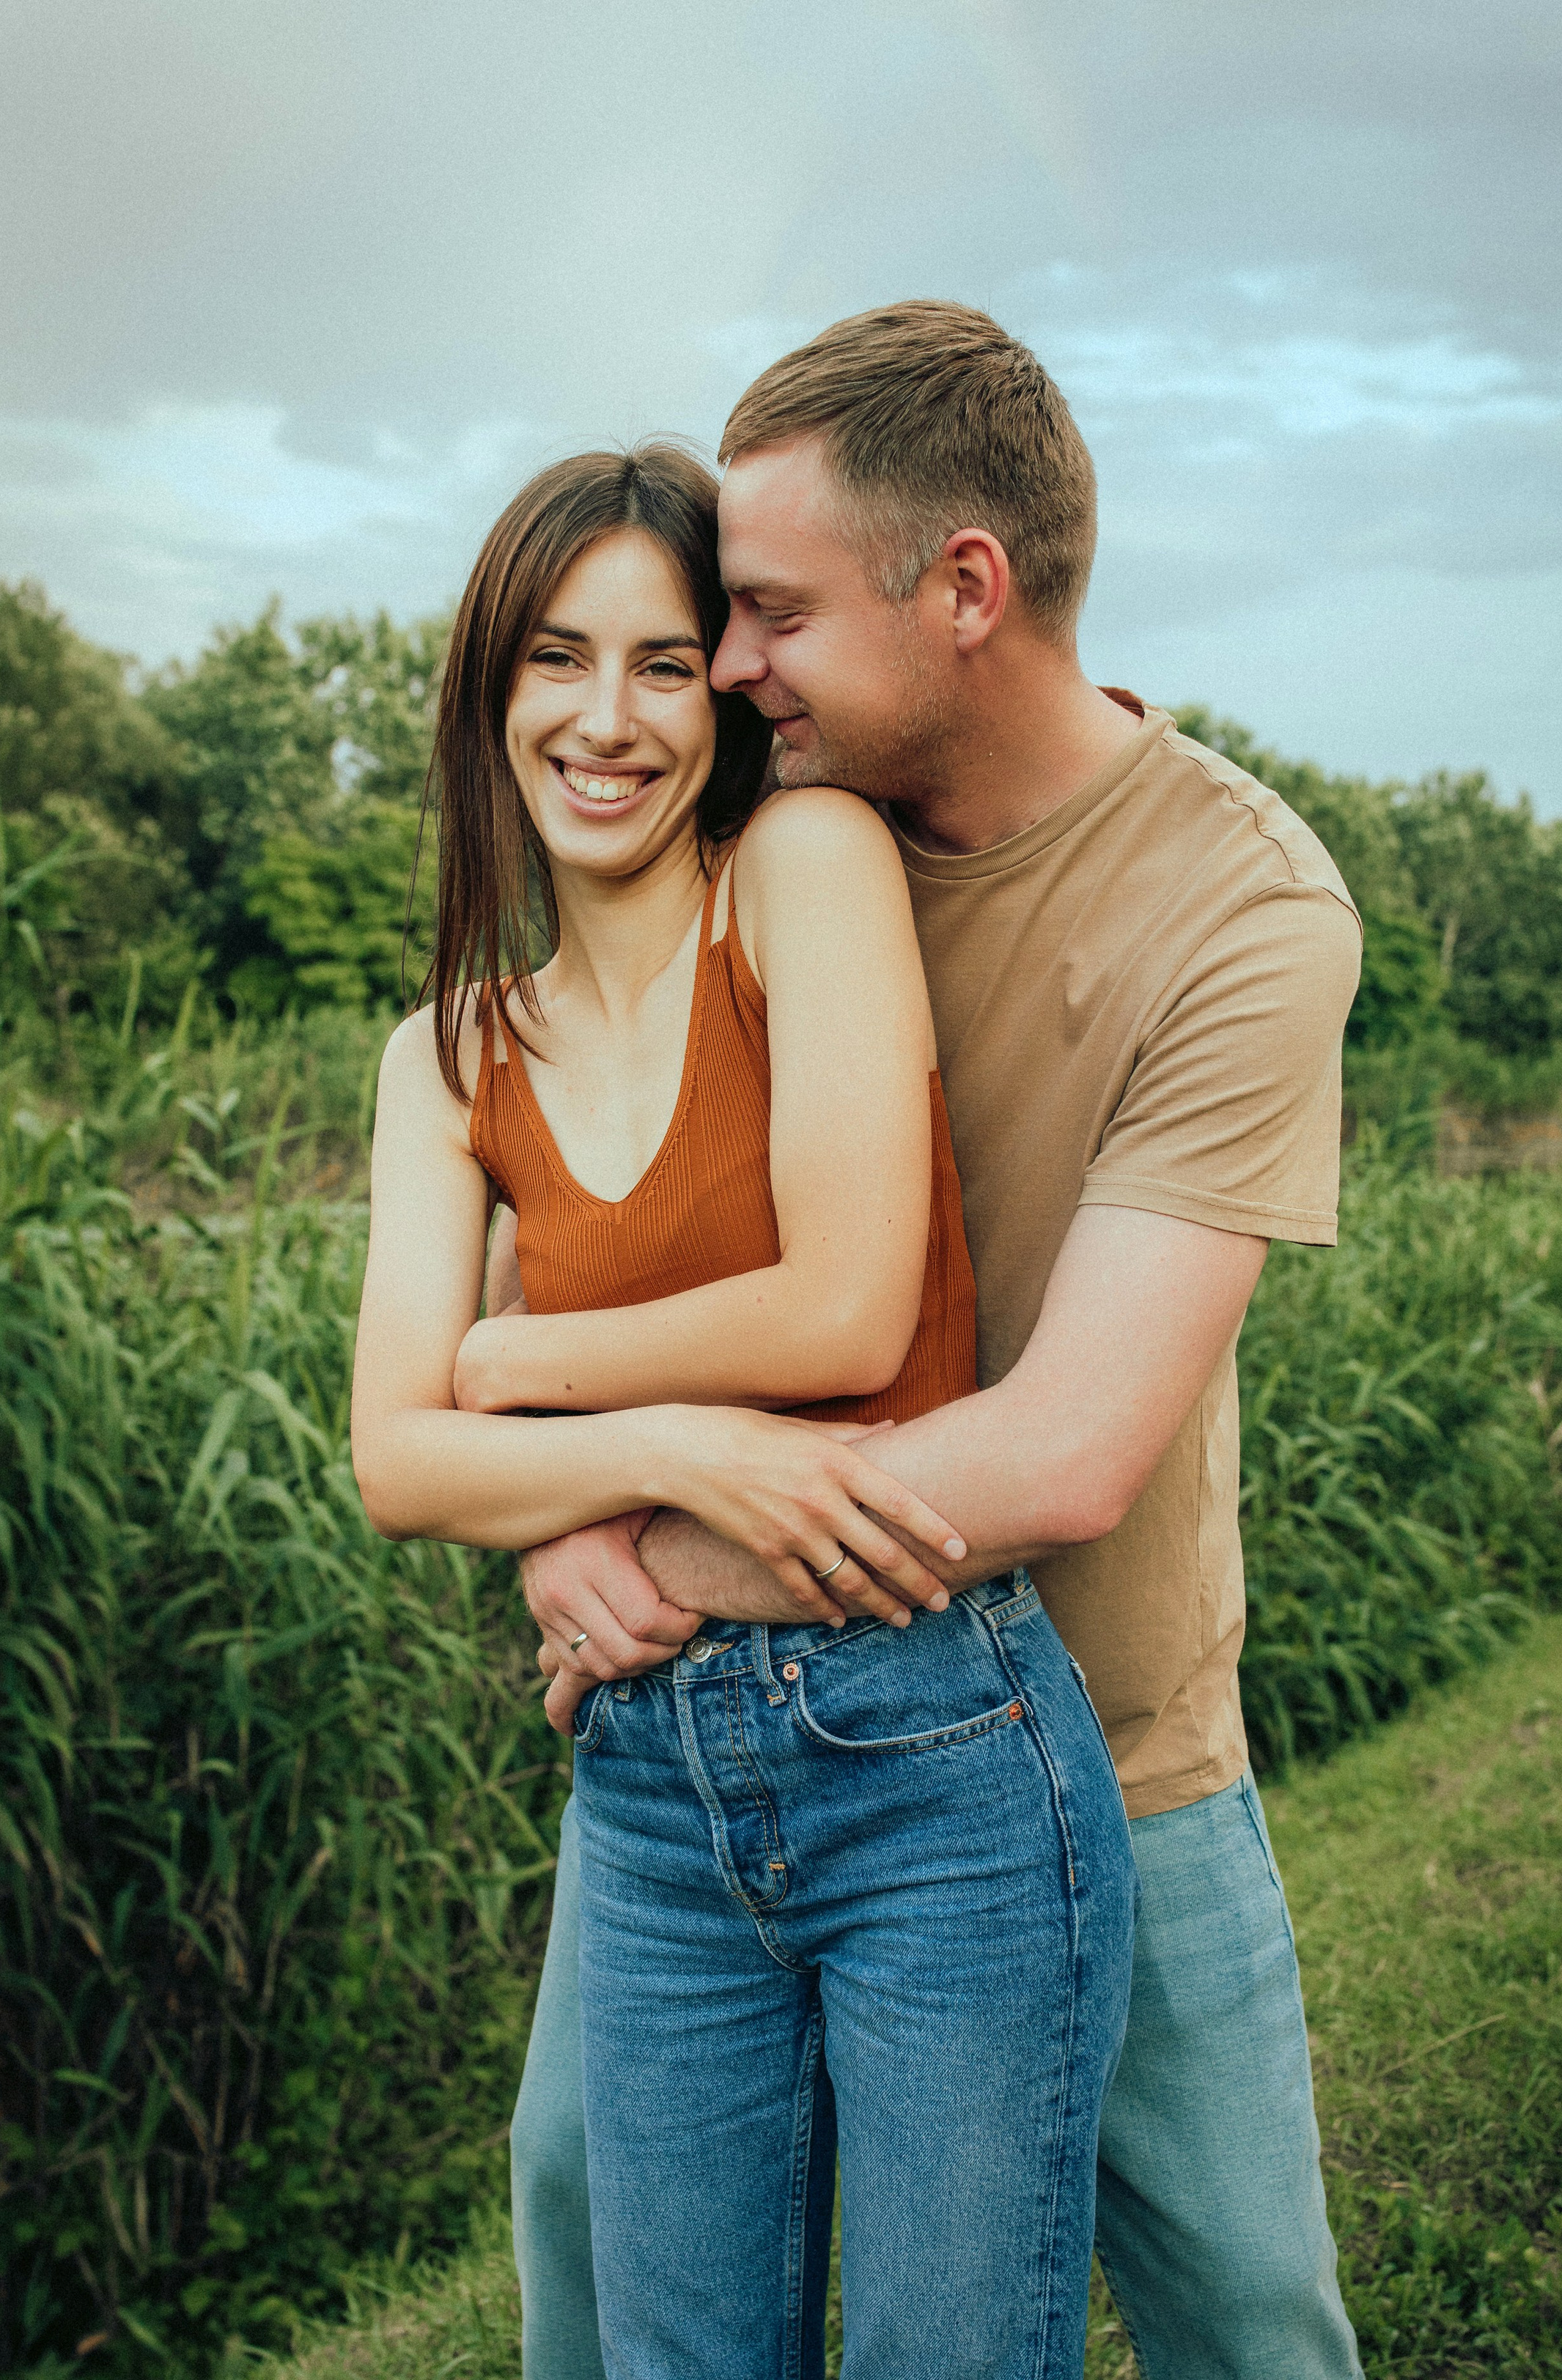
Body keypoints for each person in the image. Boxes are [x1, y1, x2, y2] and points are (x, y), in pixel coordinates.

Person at [511, 308, 1368, 2380]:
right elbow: (583, 1222)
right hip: (728, 1763)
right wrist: (545, 1521)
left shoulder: (1240, 908)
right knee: (576, 2223)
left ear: (965, 589)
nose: (725, 670)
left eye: (775, 613)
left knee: (1253, 2318)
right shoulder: (769, 846)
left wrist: (648, 1565)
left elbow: (1067, 1453)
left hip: (1107, 1741)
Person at [349, 442, 1138, 2380]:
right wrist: (661, 1460)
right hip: (645, 1789)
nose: (604, 720)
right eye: (555, 660)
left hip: (930, 1739)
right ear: (491, 693)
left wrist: (516, 1371)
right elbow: (393, 1461)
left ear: (727, 693)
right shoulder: (448, 1054)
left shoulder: (800, 869)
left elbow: (847, 1303)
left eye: (663, 661)